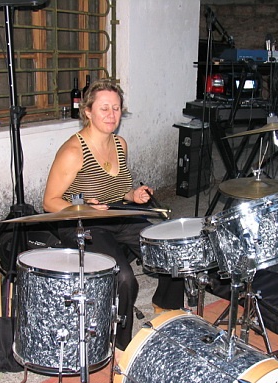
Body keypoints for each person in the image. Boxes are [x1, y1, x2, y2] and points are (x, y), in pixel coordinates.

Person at [43, 78, 185, 352]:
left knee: (170, 250)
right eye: (104, 108)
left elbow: (118, 191)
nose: (111, 115)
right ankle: (120, 345)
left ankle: (165, 306)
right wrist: (85, 209)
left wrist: (133, 196)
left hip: (117, 214)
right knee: (124, 278)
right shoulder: (73, 152)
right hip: (82, 222)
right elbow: (49, 202)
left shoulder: (120, 144)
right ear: (88, 111)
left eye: (116, 108)